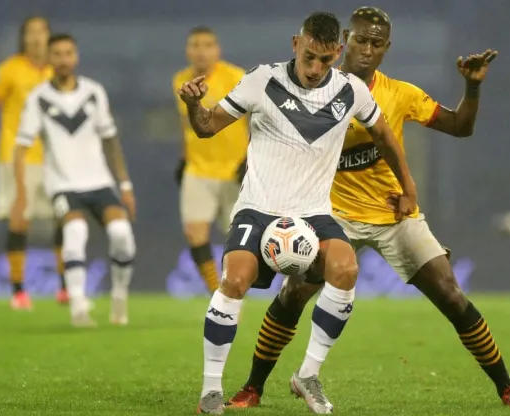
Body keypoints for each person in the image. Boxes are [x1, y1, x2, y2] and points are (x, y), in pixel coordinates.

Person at [226, 6, 510, 410]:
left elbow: (460, 126)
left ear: (386, 48)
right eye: (360, 40)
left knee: (450, 294)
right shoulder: (311, 90)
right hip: (331, 212)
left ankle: (507, 386)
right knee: (294, 293)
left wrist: (472, 88)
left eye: (376, 43)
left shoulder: (400, 94)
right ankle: (253, 387)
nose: (367, 50)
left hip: (394, 214)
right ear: (343, 44)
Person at [177, 11, 418, 415]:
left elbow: (384, 136)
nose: (314, 68)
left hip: (313, 215)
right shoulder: (261, 80)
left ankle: (307, 374)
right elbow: (205, 127)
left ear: (337, 52)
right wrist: (193, 105)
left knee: (345, 270)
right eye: (309, 56)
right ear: (296, 44)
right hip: (257, 209)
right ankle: (211, 390)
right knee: (234, 280)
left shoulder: (351, 90)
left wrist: (408, 187)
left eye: (325, 60)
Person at [12, 34, 137, 327]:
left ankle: (119, 296)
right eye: (57, 54)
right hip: (62, 184)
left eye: (68, 53)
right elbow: (21, 146)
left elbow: (110, 140)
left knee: (121, 233)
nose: (63, 59)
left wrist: (126, 184)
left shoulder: (94, 92)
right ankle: (78, 304)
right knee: (76, 231)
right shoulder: (38, 97)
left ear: (76, 56)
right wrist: (21, 191)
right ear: (49, 59)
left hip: (99, 181)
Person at [0, 16, 68, 309]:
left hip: (56, 159)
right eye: (31, 33)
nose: (37, 38)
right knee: (20, 220)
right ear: (24, 38)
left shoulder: (58, 72)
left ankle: (66, 289)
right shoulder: (9, 70)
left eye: (42, 32)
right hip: (18, 157)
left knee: (64, 218)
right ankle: (18, 291)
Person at [172, 26, 248, 294]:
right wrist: (184, 160)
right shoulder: (180, 80)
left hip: (234, 172)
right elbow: (185, 125)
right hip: (199, 170)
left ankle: (233, 289)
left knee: (239, 240)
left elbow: (254, 122)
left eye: (207, 45)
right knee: (195, 233)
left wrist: (251, 159)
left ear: (217, 50)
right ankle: (218, 294)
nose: (201, 51)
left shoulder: (236, 77)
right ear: (188, 51)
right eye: (195, 45)